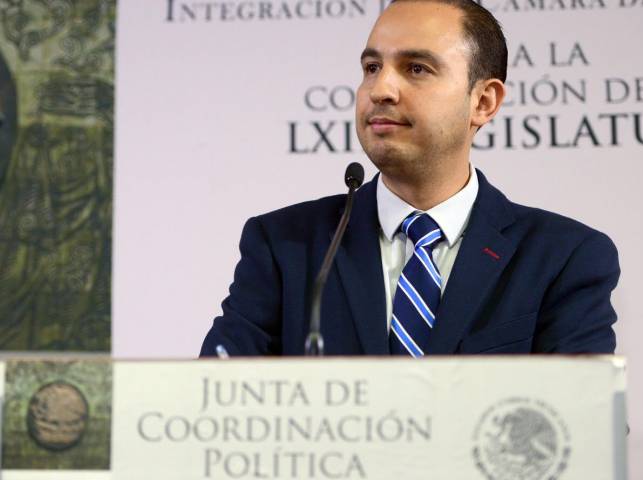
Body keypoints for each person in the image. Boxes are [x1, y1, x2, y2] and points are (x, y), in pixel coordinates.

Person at [200, 0, 620, 357]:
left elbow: (586, 417)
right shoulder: (285, 246)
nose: (380, 89)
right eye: (371, 67)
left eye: (416, 68)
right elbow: (216, 402)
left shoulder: (562, 258)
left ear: (483, 102)